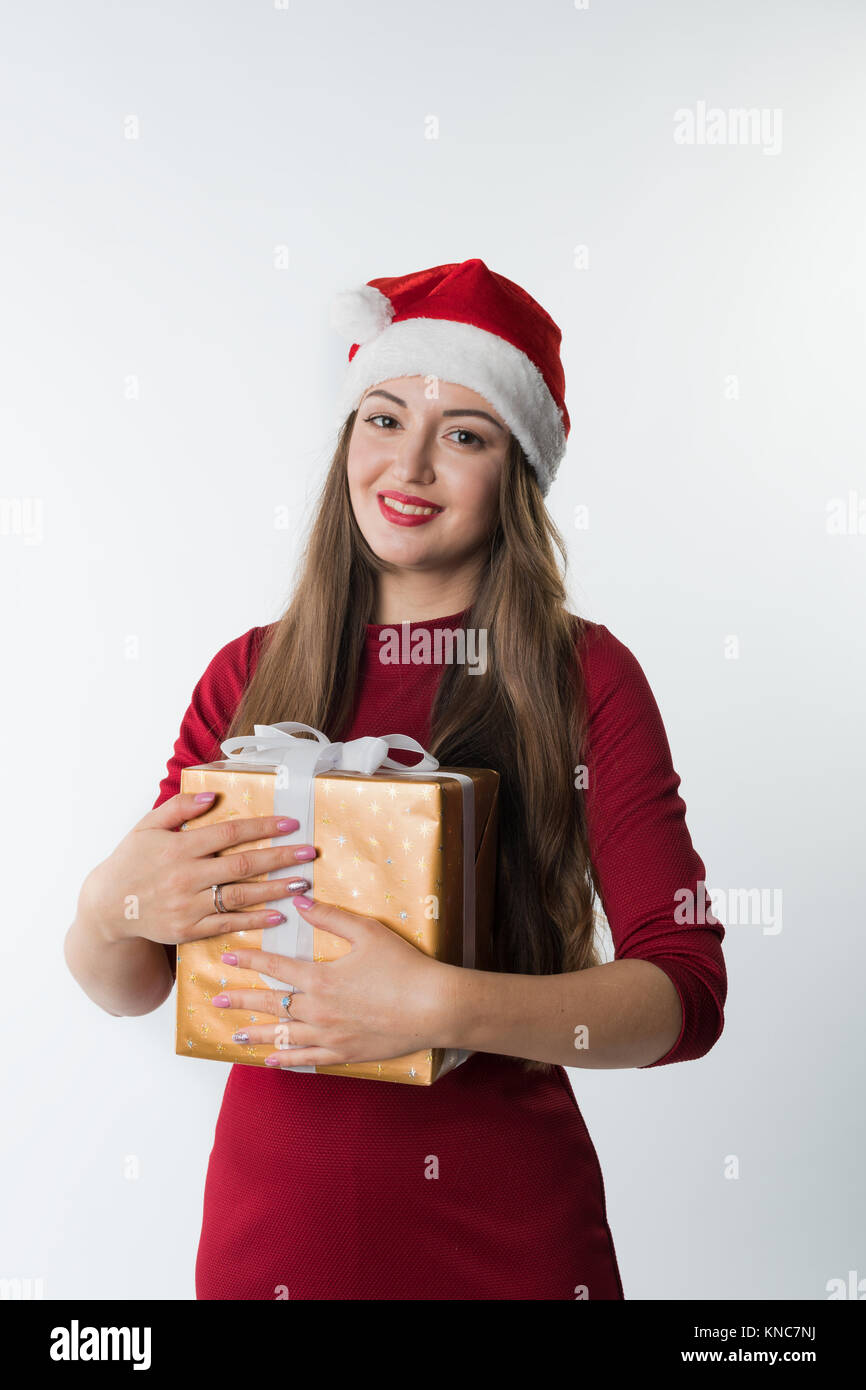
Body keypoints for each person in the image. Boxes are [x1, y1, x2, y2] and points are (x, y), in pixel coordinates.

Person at [65, 258, 727, 1300]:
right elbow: (135, 979)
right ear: (345, 440)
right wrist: (107, 906)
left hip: (504, 1237)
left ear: (515, 473)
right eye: (381, 419)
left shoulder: (581, 675)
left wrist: (436, 1003)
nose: (407, 465)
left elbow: (682, 995)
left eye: (463, 434)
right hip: (270, 1234)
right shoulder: (249, 672)